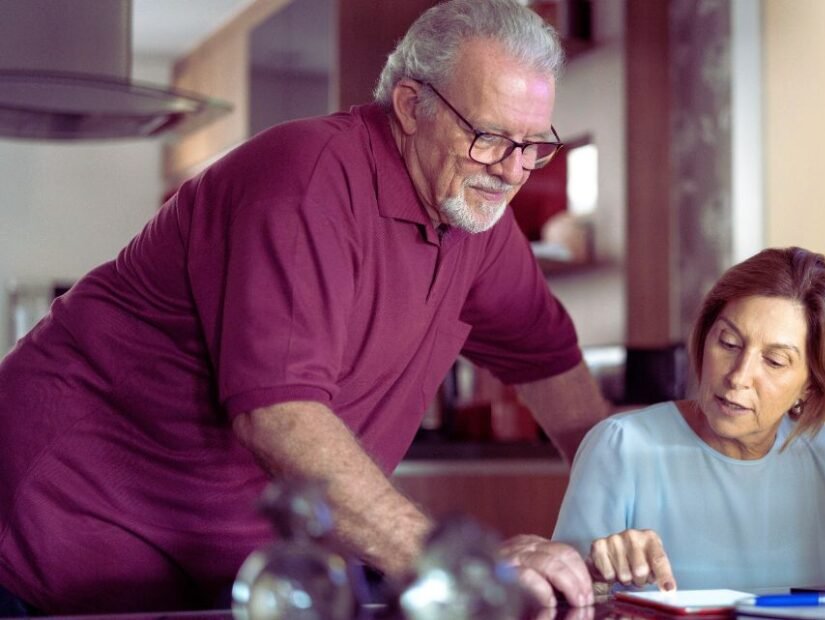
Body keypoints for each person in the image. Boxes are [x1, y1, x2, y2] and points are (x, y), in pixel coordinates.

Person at [0, 0, 607, 614]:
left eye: (533, 145)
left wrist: (616, 526)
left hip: (205, 565)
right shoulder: (307, 178)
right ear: (410, 105)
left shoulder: (476, 220)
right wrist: (458, 571)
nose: (512, 171)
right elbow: (279, 417)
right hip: (53, 528)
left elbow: (549, 362)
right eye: (488, 138)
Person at [552, 247, 825, 592]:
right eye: (728, 342)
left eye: (774, 361)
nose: (738, 376)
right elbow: (563, 594)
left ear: (810, 385)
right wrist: (598, 573)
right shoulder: (621, 446)